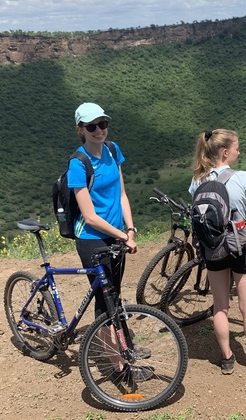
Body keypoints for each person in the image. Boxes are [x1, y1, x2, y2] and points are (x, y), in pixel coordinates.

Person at [190, 129, 246, 375]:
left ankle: (227, 359)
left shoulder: (197, 181)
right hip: (240, 247)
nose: (239, 152)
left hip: (213, 249)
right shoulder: (243, 178)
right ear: (225, 152)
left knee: (220, 307)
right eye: (237, 148)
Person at [67, 103, 148, 381]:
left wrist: (131, 228)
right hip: (93, 240)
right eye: (91, 126)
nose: (99, 130)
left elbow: (121, 194)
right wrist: (123, 235)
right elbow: (89, 217)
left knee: (114, 294)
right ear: (80, 130)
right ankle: (118, 367)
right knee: (104, 303)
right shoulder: (77, 164)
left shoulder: (113, 150)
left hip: (117, 236)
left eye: (102, 124)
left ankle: (125, 347)